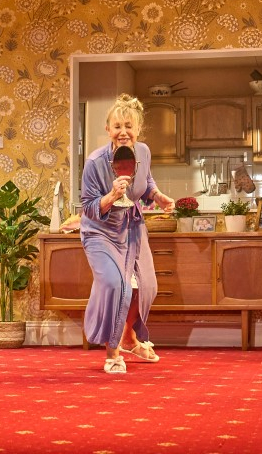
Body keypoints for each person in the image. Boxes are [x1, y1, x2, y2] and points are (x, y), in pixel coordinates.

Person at [80, 93, 175, 374]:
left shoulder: (143, 152)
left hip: (132, 228)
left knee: (147, 286)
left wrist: (157, 196)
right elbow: (88, 207)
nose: (123, 132)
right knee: (115, 285)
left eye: (129, 126)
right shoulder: (95, 162)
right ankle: (112, 352)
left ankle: (129, 337)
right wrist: (110, 196)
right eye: (117, 126)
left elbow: (146, 182)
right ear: (108, 129)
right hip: (99, 232)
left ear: (137, 130)